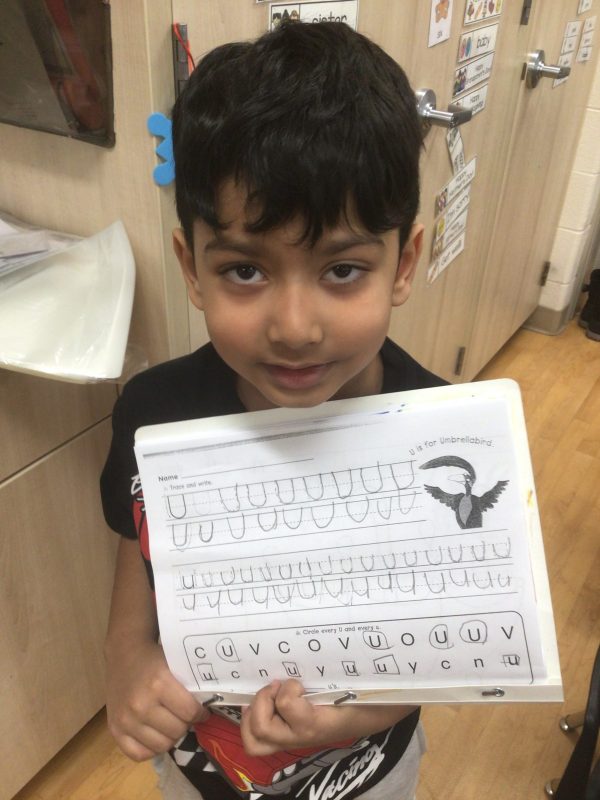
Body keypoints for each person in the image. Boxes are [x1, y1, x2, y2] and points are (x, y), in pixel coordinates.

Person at [100, 20, 445, 800]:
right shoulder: (156, 412)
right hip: (199, 766)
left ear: (404, 263)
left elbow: (446, 642)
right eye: (246, 270)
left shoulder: (441, 436)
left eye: (343, 269)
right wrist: (125, 657)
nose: (294, 327)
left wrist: (354, 714)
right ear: (193, 268)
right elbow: (141, 542)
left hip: (366, 772)